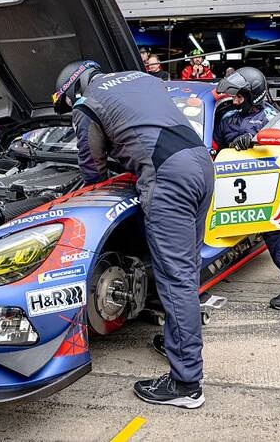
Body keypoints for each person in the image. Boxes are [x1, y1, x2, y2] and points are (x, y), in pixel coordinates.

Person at [53, 60, 213, 409]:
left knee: (176, 279)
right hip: (200, 164)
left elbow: (92, 171)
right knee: (186, 269)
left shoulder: (87, 103)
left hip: (168, 177)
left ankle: (186, 383)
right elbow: (147, 122)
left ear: (73, 89)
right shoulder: (141, 78)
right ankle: (178, 343)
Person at [214, 67, 280, 309]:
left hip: (264, 187)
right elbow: (214, 146)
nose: (234, 101)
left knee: (273, 231)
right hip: (229, 183)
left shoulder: (272, 119)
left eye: (239, 97)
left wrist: (253, 144)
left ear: (252, 96)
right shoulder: (226, 116)